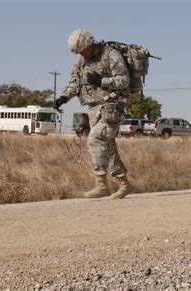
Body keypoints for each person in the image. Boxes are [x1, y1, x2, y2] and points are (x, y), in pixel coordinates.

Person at [54, 29, 132, 199]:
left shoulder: (110, 55)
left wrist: (102, 81)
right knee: (107, 147)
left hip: (112, 106)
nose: (82, 54)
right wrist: (64, 96)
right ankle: (124, 184)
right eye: (79, 52)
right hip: (94, 109)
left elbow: (124, 80)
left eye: (83, 50)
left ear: (90, 43)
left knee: (95, 139)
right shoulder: (82, 61)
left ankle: (101, 184)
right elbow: (76, 82)